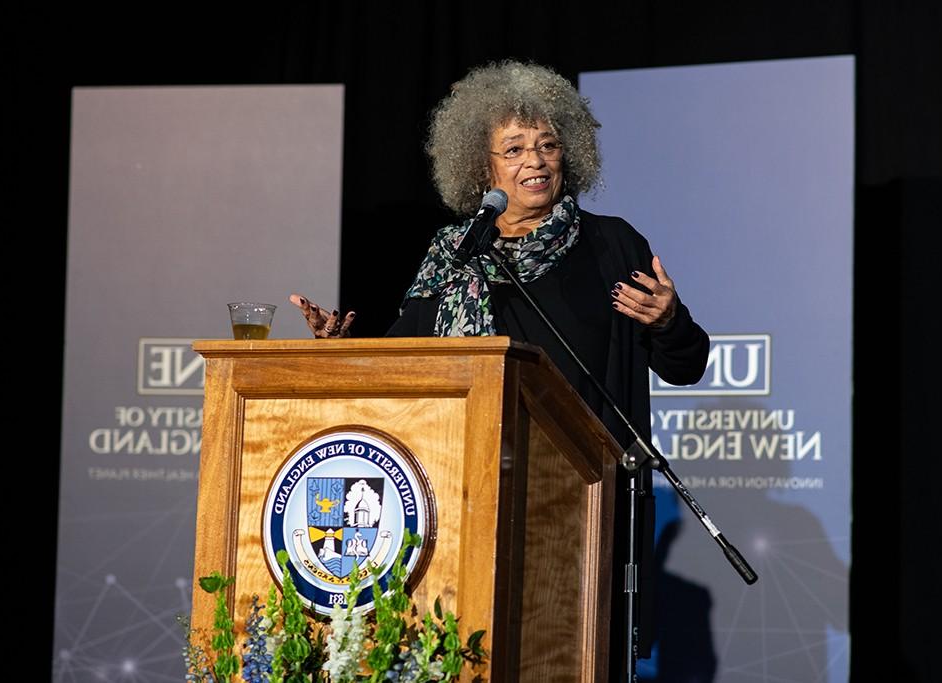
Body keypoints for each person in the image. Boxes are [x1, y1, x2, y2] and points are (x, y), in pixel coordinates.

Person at [293, 59, 709, 676]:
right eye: (514, 148)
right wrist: (342, 349)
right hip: (462, 498)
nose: (535, 161)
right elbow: (406, 372)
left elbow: (686, 365)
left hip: (577, 504)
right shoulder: (452, 257)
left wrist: (669, 321)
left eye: (547, 144)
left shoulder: (611, 245)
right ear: (481, 168)